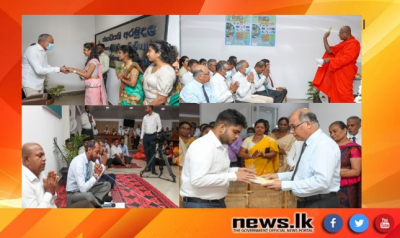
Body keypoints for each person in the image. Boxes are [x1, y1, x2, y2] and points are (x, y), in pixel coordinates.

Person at [262, 109, 341, 208]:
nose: (291, 131)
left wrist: (284, 185)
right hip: (307, 201)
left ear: (308, 124)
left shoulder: (323, 145)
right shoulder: (307, 143)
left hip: (320, 203)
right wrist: (278, 176)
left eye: (293, 127)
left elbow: (321, 181)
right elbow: (303, 174)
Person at [180, 109, 256, 208]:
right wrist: (233, 176)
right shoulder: (204, 146)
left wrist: (237, 170)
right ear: (222, 127)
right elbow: (198, 180)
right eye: (235, 132)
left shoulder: (221, 145)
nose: (237, 136)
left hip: (214, 202)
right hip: (200, 204)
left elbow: (215, 170)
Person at [22, 143, 93, 208]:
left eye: (44, 155)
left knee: (86, 204)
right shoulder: (23, 183)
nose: (44, 158)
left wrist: (52, 191)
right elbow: (35, 216)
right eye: (40, 156)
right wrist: (49, 192)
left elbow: (53, 200)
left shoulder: (39, 173)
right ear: (27, 159)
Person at [313, 26, 361, 103]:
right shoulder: (343, 44)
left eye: (340, 33)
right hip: (337, 73)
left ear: (346, 33)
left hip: (345, 73)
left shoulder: (354, 43)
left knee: (345, 95)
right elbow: (329, 51)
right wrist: (325, 38)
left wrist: (329, 60)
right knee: (335, 95)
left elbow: (347, 59)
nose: (339, 35)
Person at [66, 140, 112, 207]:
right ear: (89, 149)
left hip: (86, 191)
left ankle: (95, 200)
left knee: (107, 185)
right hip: (74, 195)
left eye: (99, 153)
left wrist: (97, 173)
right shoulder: (79, 162)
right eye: (97, 152)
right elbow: (82, 189)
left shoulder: (90, 162)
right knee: (89, 196)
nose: (98, 155)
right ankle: (99, 205)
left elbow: (91, 183)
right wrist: (96, 175)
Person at [329, 121, 361, 208]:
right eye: (330, 132)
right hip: (330, 186)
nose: (332, 134)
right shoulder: (330, 147)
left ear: (344, 130)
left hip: (347, 187)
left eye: (335, 131)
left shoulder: (353, 148)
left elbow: (356, 171)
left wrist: (334, 173)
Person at [143, 40, 178, 105]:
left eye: (150, 51)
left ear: (158, 53)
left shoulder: (167, 71)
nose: (147, 54)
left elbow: (161, 100)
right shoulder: (151, 66)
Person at [140, 106, 162, 174]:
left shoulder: (156, 115)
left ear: (150, 108)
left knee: (152, 153)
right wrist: (141, 138)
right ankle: (148, 168)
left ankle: (153, 169)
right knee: (147, 153)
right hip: (146, 137)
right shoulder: (145, 117)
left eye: (146, 107)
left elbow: (160, 126)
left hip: (153, 136)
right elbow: (143, 128)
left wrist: (157, 134)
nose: (145, 109)